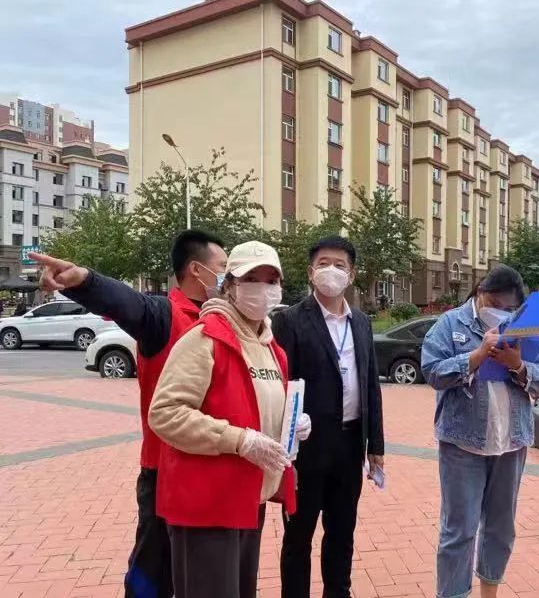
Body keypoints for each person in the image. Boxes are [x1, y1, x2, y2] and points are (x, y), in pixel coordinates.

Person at [30, 230, 228, 597]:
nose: (229, 277)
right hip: (166, 471)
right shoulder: (163, 315)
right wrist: (82, 279)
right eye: (224, 267)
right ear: (197, 270)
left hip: (213, 467)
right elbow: (126, 302)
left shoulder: (224, 321)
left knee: (204, 571)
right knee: (153, 571)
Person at [148, 240, 310, 598]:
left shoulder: (270, 347)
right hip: (208, 504)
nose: (263, 288)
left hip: (248, 499)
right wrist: (239, 440)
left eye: (271, 280)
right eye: (251, 278)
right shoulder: (204, 338)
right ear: (230, 285)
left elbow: (256, 403)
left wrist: (291, 423)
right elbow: (165, 413)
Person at [421, 265, 539, 598]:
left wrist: (517, 365)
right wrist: (478, 355)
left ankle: (489, 593)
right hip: (462, 443)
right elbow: (433, 372)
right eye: (495, 303)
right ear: (480, 293)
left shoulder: (526, 325)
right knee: (459, 530)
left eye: (509, 307)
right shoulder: (450, 324)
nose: (501, 311)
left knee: (501, 528)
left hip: (510, 441)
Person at [272, 235, 384, 598]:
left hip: (350, 445)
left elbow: (370, 384)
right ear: (310, 272)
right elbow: (280, 384)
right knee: (298, 536)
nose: (331, 271)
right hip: (306, 447)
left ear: (351, 274)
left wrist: (375, 445)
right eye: (323, 264)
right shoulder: (289, 320)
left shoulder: (361, 322)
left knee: (341, 532)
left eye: (339, 265)